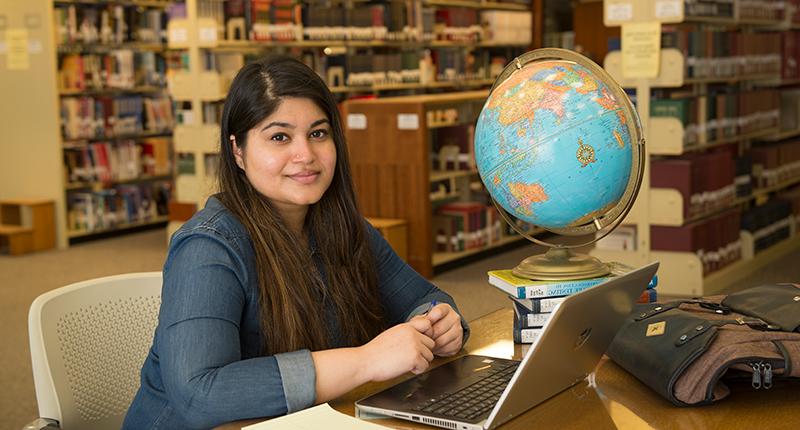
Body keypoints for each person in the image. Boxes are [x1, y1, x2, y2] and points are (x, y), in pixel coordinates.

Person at [123, 55, 469, 429]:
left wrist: (439, 323)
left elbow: (424, 299)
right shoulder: (207, 248)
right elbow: (199, 394)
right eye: (279, 137)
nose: (305, 155)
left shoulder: (344, 228)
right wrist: (365, 361)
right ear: (237, 151)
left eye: (318, 133)